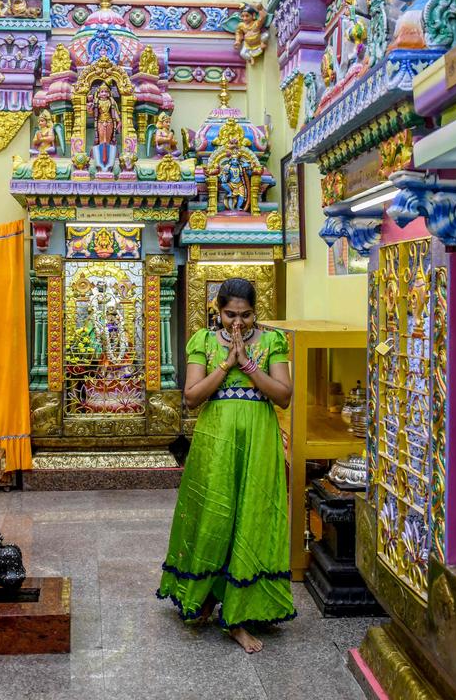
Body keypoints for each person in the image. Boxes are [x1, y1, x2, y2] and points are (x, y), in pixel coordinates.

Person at [157, 278, 295, 653]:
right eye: (231, 314)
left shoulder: (272, 342)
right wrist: (227, 363)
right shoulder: (203, 341)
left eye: (246, 315)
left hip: (258, 441)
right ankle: (204, 595)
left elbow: (283, 396)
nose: (239, 323)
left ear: (256, 312)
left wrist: (249, 364)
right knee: (215, 516)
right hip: (215, 440)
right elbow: (192, 397)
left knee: (251, 515)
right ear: (218, 311)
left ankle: (239, 614)